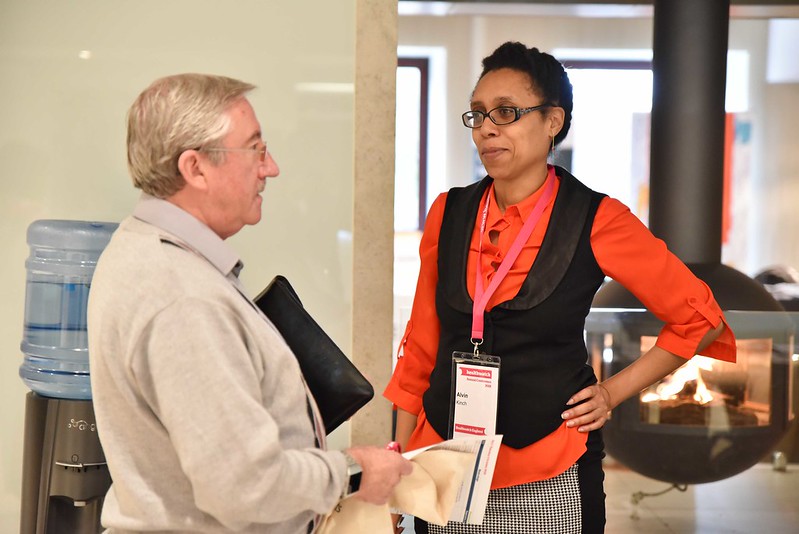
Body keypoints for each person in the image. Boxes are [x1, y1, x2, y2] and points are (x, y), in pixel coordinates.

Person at [384, 41, 737, 534]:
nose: (486, 128)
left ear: (553, 120)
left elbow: (698, 317)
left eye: (506, 112)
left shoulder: (596, 218)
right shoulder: (449, 212)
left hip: (552, 468)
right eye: (478, 113)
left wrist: (611, 392)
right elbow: (420, 350)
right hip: (445, 461)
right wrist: (396, 467)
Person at [87, 73, 411, 533]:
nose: (270, 168)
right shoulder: (183, 297)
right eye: (255, 149)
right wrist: (352, 472)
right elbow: (243, 485)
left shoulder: (142, 247)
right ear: (196, 168)